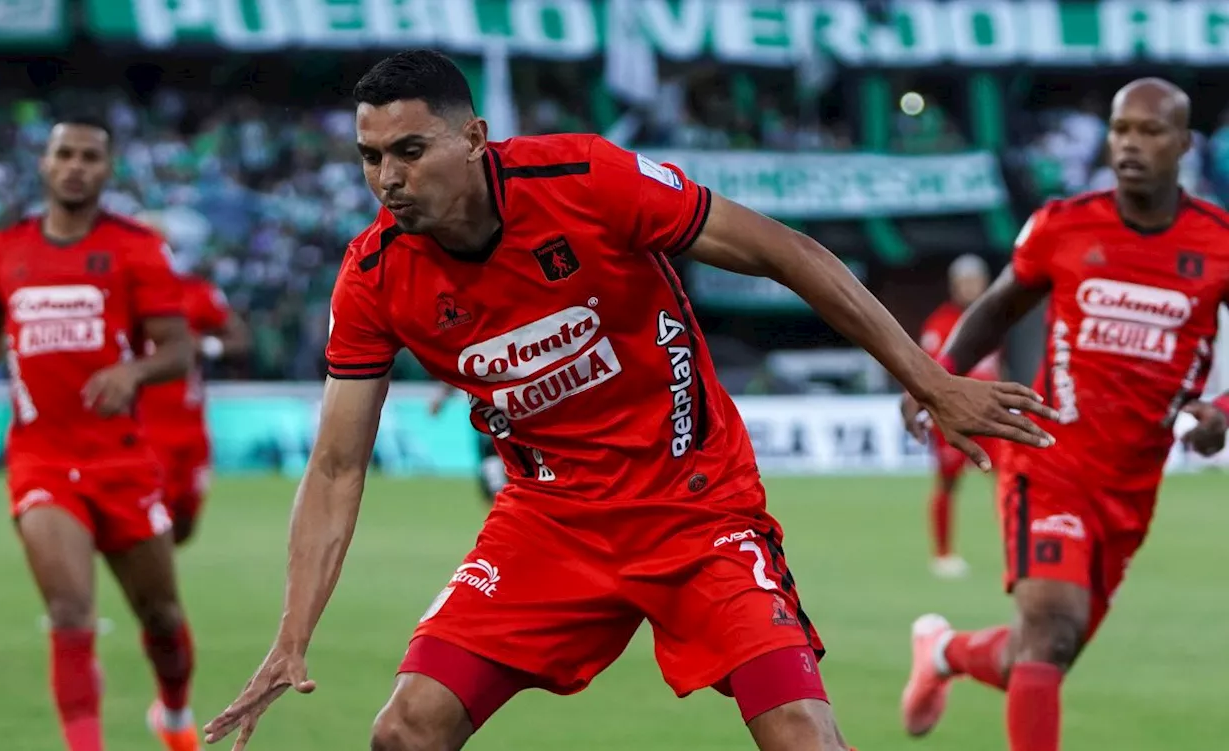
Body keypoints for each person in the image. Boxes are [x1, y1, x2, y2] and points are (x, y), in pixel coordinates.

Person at [202, 51, 1054, 751]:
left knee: (802, 734)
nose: (387, 178)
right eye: (370, 157)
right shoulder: (374, 275)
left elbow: (787, 252)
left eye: (411, 151)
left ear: (476, 139)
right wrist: (292, 632)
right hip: (550, 519)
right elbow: (338, 464)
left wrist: (929, 378)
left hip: (696, 506)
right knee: (406, 731)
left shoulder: (585, 179)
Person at [898, 78, 1229, 751]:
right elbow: (996, 306)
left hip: (1131, 481)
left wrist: (1222, 407)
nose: (1131, 144)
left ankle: (944, 652)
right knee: (1049, 628)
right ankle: (947, 653)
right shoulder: (1064, 225)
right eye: (1120, 129)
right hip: (1049, 455)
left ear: (1184, 144)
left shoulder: (1218, 242)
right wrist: (933, 377)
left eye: (1150, 130)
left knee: (1043, 652)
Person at [0, 118, 203, 751]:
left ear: (106, 169)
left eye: (90, 156)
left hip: (120, 461)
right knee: (68, 612)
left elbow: (179, 349)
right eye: (65, 153)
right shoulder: (4, 248)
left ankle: (172, 716)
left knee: (162, 618)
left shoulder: (137, 248)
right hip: (40, 459)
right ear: (44, 163)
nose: (76, 166)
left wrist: (133, 371)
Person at [135, 211, 250, 546]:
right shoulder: (119, 295)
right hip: (144, 425)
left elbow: (239, 339)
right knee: (152, 521)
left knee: (185, 523)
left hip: (190, 425)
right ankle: (154, 590)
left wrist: (206, 347)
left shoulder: (195, 292)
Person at [916, 254, 1001, 578]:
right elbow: (929, 370)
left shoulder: (993, 319)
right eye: (965, 282)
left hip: (990, 415)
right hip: (953, 416)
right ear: (954, 286)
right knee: (948, 482)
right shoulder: (940, 324)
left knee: (1009, 480)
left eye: (976, 281)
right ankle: (943, 554)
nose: (971, 287)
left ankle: (1015, 547)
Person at [428, 382, 506, 505]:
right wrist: (441, 398)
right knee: (492, 473)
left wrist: (440, 399)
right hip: (489, 427)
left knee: (496, 475)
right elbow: (456, 373)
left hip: (505, 425)